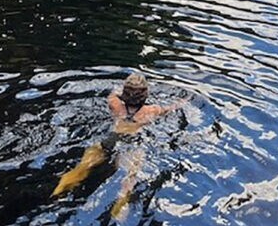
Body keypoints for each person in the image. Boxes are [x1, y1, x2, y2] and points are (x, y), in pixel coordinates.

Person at [52, 74, 186, 218]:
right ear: (145, 94)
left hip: (110, 139)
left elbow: (113, 93)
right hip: (131, 143)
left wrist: (120, 92)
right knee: (130, 178)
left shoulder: (115, 105)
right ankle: (119, 208)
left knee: (82, 167)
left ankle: (58, 191)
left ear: (125, 94)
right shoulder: (152, 110)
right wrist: (183, 102)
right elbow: (171, 108)